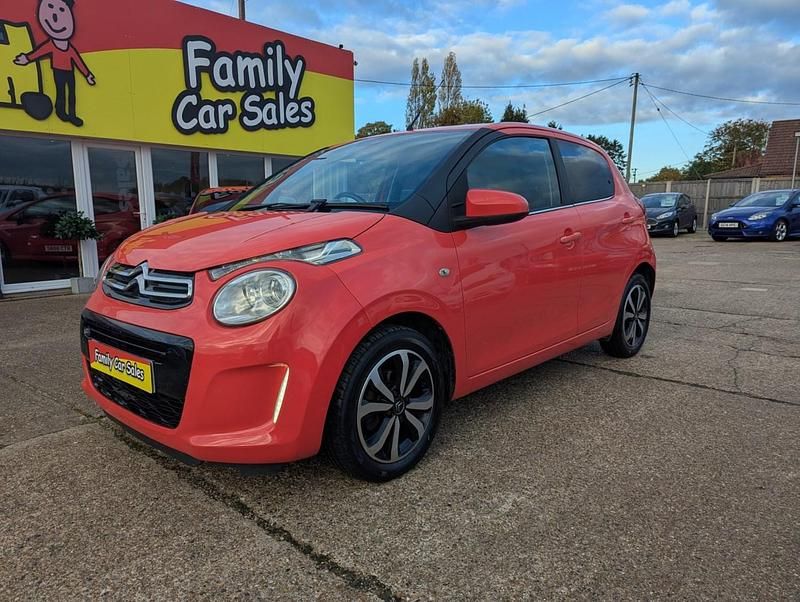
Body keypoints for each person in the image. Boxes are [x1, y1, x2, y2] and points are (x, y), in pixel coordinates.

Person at [13, 0, 95, 126]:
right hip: (58, 70)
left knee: (71, 93)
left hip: (70, 72)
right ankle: (61, 112)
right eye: (50, 8)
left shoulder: (69, 47)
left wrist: (87, 75)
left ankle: (72, 115)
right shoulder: (52, 44)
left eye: (62, 11)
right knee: (61, 91)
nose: (56, 18)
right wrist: (27, 58)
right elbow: (39, 52)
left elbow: (78, 61)